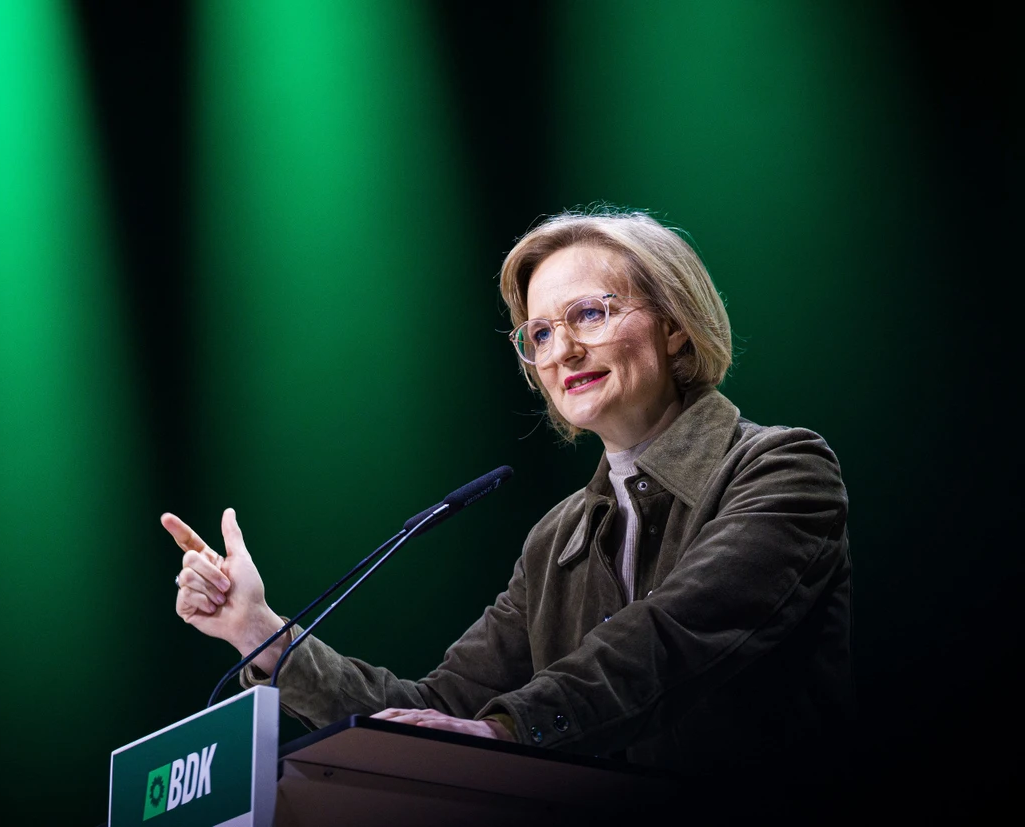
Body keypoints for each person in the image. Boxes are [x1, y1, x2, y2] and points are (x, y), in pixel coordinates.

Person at [165, 208, 854, 785]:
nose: (561, 351)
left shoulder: (782, 469)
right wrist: (260, 632)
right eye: (541, 333)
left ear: (674, 324)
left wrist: (509, 726)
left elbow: (673, 637)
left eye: (589, 313)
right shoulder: (555, 541)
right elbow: (435, 710)